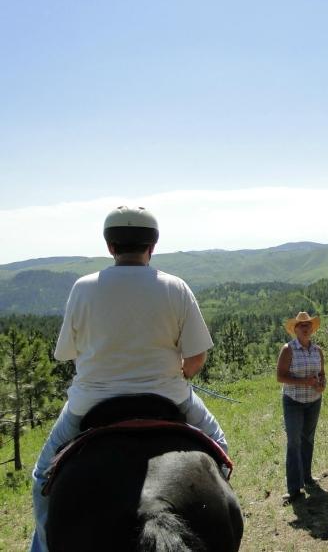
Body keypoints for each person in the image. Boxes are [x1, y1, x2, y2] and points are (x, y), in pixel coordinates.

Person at [30, 206, 228, 552]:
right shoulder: (175, 286)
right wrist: (180, 373)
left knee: (41, 477)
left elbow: (67, 354)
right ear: (153, 245)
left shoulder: (83, 287)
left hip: (90, 401)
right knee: (220, 449)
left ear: (110, 246)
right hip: (169, 394)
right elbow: (196, 357)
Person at [276, 311, 326, 505]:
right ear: (295, 329)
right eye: (301, 325)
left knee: (308, 440)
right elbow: (280, 376)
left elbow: (322, 374)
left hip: (314, 401)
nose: (305, 328)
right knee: (294, 442)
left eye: (308, 325)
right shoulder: (288, 349)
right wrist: (305, 382)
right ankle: (294, 489)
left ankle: (307, 477)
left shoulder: (317, 351)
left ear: (312, 329)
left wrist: (322, 384)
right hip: (294, 402)